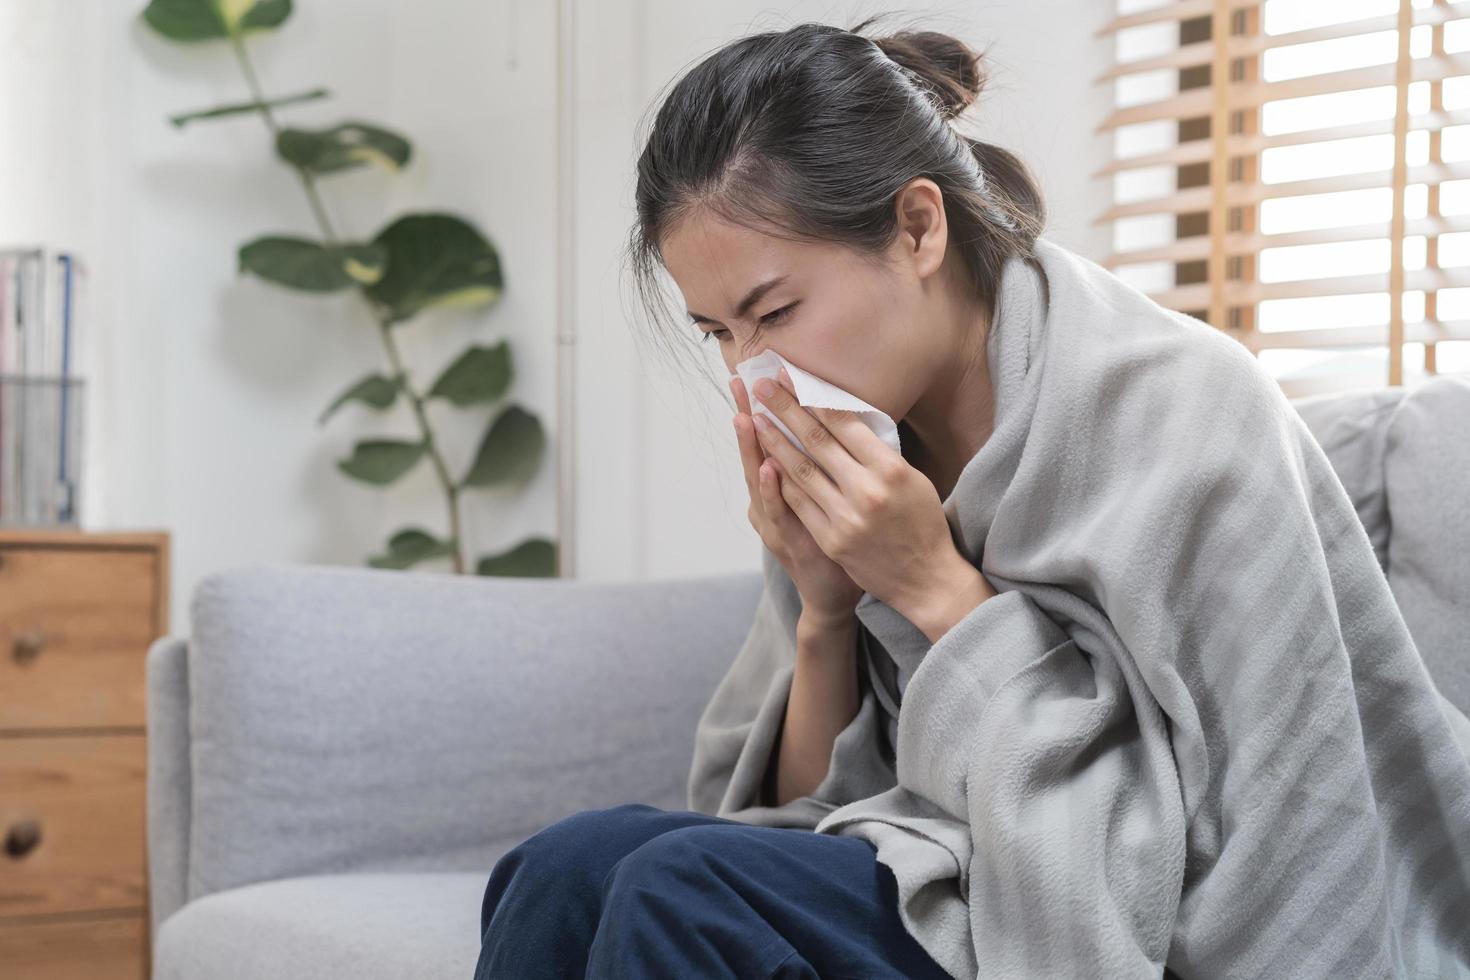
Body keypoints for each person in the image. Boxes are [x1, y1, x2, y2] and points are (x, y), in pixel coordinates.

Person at [477, 11, 1470, 980]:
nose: (754, 369)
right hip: (949, 866)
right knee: (565, 866)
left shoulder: (1186, 410)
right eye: (719, 333)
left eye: (773, 311)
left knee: (675, 888)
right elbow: (809, 817)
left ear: (917, 227)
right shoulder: (862, 434)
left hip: (1116, 906)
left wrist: (933, 585)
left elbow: (1280, 831)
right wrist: (825, 608)